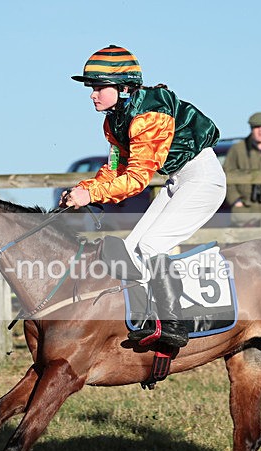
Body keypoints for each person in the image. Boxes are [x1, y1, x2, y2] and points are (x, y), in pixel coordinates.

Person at [61, 45, 226, 348]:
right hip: (178, 181)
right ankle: (148, 319)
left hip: (203, 179)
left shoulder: (150, 115)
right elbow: (116, 169)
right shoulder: (115, 121)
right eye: (91, 88)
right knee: (131, 249)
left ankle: (174, 326)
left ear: (124, 88)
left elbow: (138, 179)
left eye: (99, 87)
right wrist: (83, 190)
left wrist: (92, 194)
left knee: (151, 245)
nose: (92, 95)